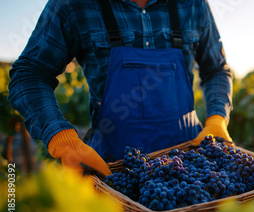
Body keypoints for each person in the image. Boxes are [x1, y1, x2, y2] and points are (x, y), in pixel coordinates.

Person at [8, 0, 233, 177]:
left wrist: (216, 119)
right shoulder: (73, 5)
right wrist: (61, 137)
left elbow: (216, 69)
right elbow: (29, 74)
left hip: (190, 168)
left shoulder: (193, 4)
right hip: (113, 169)